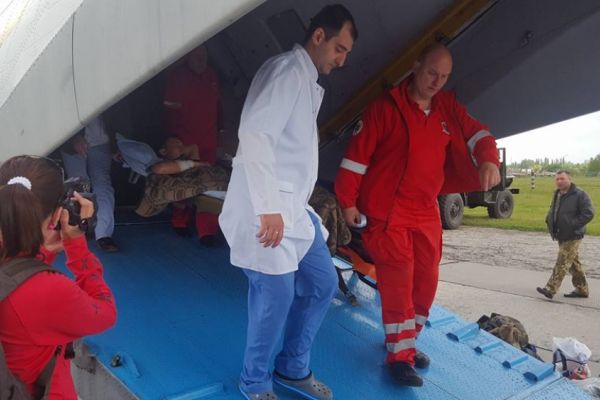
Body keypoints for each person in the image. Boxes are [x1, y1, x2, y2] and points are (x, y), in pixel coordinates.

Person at [334, 43, 501, 387]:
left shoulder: (446, 108)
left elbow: (478, 133)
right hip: (388, 213)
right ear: (415, 66)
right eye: (431, 73)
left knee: (426, 281)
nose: (436, 82)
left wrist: (489, 160)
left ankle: (406, 341)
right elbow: (355, 159)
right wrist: (348, 202)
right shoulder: (384, 109)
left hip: (425, 211)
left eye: (444, 77)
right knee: (399, 281)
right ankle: (400, 358)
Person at [219, 5, 357, 400]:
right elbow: (255, 135)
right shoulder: (286, 72)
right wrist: (268, 208)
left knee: (322, 283)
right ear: (319, 36)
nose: (342, 60)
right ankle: (255, 381)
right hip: (266, 208)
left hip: (294, 209)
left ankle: (292, 368)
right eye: (339, 49)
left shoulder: (305, 79)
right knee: (275, 295)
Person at [0, 155, 117, 399]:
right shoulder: (48, 289)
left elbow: (12, 275)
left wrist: (42, 251)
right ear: (56, 216)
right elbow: (105, 314)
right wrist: (77, 246)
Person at [164, 44, 221, 245]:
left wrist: (221, 132)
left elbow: (218, 106)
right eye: (196, 55)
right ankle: (180, 221)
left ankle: (207, 231)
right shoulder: (178, 77)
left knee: (209, 185)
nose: (201, 59)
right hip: (185, 141)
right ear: (188, 55)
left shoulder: (212, 75)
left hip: (209, 141)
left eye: (204, 54)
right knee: (184, 183)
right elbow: (169, 112)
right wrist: (172, 139)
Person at [61, 116, 119, 252]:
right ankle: (81, 228)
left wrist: (118, 144)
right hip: (70, 141)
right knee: (79, 186)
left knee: (103, 185)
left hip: (101, 140)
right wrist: (73, 138)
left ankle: (103, 234)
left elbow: (118, 114)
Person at [537, 170, 594, 299]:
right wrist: (549, 219)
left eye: (562, 179)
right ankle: (582, 289)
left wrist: (573, 224)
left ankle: (550, 288)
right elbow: (554, 210)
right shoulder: (557, 194)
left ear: (569, 179)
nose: (559, 181)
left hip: (573, 234)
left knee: (562, 261)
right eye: (557, 179)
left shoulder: (580, 194)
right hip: (561, 233)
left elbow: (588, 213)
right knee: (573, 264)